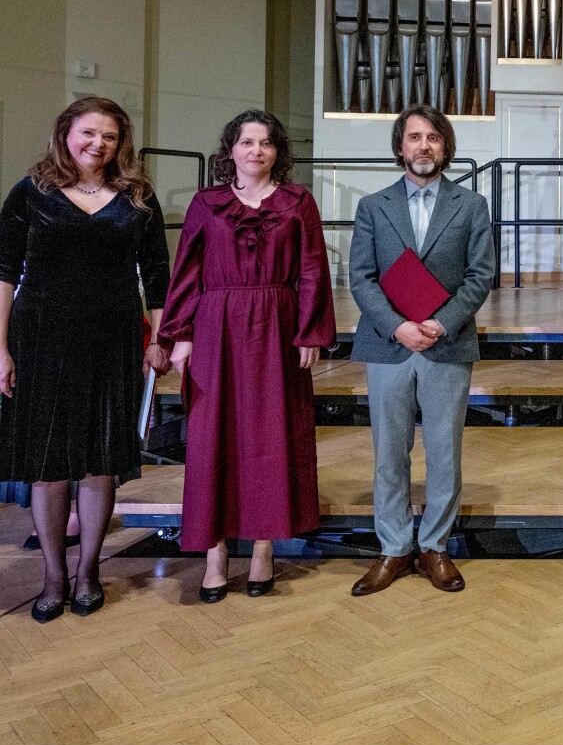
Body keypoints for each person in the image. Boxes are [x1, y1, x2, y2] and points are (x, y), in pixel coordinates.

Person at [0, 97, 170, 621]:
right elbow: (4, 271)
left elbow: (159, 275)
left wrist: (159, 339)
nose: (99, 143)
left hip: (114, 337)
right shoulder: (31, 192)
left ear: (122, 144)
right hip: (41, 337)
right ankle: (53, 574)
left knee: (99, 462)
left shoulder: (137, 196)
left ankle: (88, 570)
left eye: (111, 136)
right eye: (89, 132)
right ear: (65, 133)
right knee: (48, 463)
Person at [163, 111, 336, 601]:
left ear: (278, 152)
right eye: (246, 142)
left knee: (270, 437)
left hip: (277, 328)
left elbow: (311, 270)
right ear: (230, 150)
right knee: (212, 438)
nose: (255, 151)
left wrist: (309, 332)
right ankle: (215, 554)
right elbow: (187, 271)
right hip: (215, 327)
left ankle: (263, 550)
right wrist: (180, 334)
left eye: (265, 143)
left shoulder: (298, 202)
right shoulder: (206, 203)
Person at [347, 105, 495, 596]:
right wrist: (398, 327)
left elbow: (480, 276)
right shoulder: (373, 206)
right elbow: (361, 278)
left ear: (445, 147)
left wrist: (439, 322)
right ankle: (393, 548)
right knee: (389, 454)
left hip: (445, 344)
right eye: (414, 137)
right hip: (390, 346)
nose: (423, 146)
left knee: (444, 453)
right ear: (400, 148)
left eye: (433, 137)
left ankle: (435, 546)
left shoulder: (471, 206)